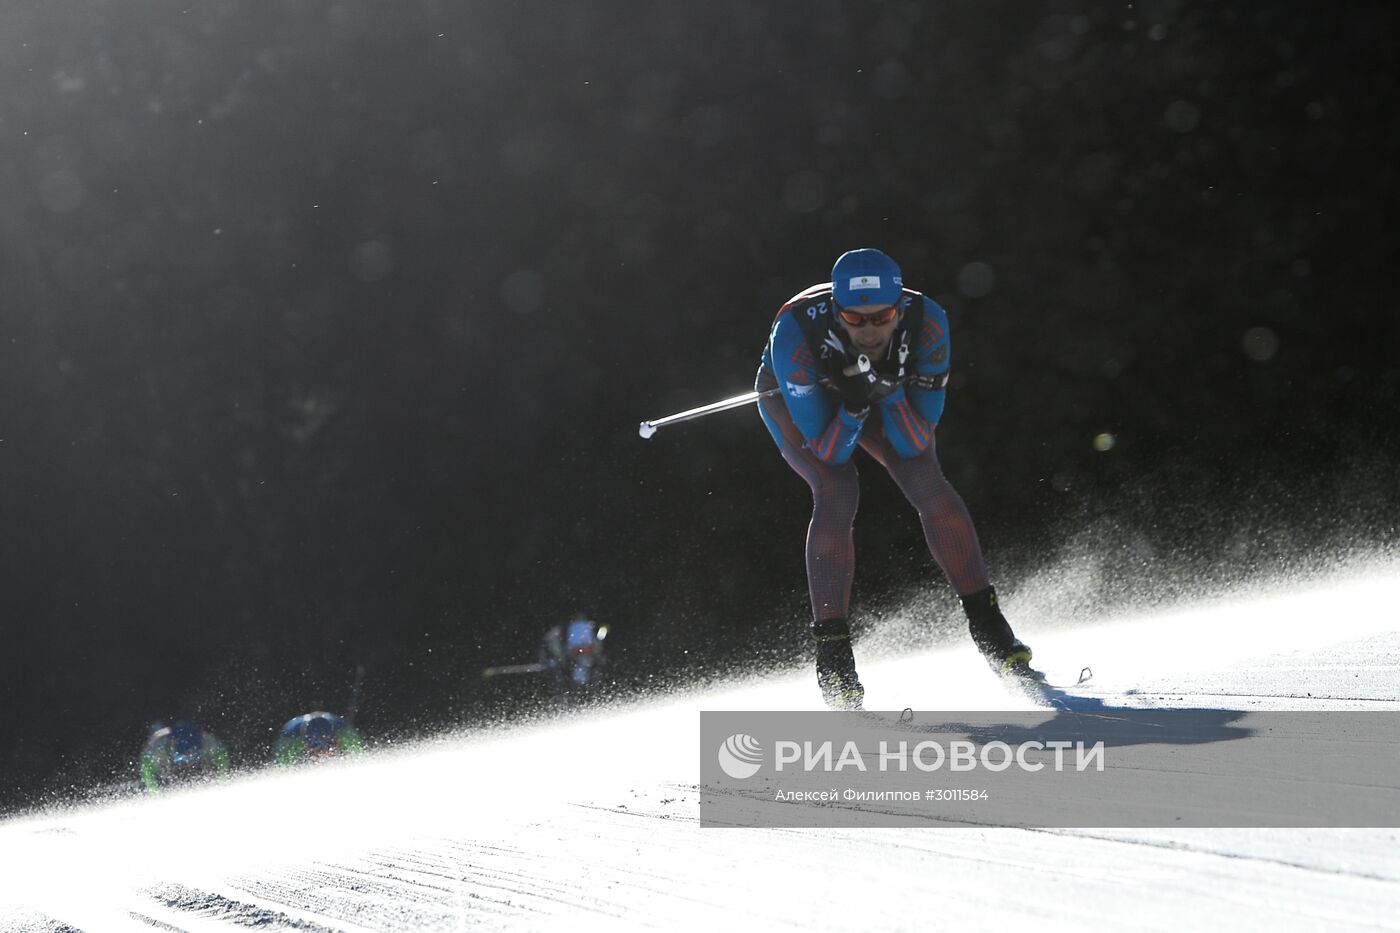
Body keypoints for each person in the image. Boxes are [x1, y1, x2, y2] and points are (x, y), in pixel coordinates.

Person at [755, 248, 1041, 710]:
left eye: (882, 317)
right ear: (837, 311)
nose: (869, 331)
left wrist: (887, 394)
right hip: (800, 393)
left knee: (925, 480)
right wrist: (853, 406)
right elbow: (829, 453)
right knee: (837, 489)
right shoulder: (796, 333)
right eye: (855, 319)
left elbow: (913, 443)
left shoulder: (928, 323)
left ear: (899, 309)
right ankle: (834, 661)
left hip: (881, 390)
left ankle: (992, 632)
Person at [139, 720, 232, 792]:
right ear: (173, 744)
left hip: (200, 764)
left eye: (192, 756)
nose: (187, 763)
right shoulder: (158, 748)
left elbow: (223, 756)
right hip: (163, 770)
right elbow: (146, 768)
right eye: (183, 758)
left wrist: (220, 780)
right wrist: (154, 791)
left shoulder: (207, 742)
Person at [538, 615, 609, 691]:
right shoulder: (567, 629)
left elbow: (597, 643)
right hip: (575, 655)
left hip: (582, 654)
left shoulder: (588, 627)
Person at [272, 711, 364, 765]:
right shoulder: (290, 741)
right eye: (316, 747)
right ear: (305, 743)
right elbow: (280, 769)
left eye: (329, 745)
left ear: (336, 738)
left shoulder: (345, 733)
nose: (324, 753)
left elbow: (361, 759)